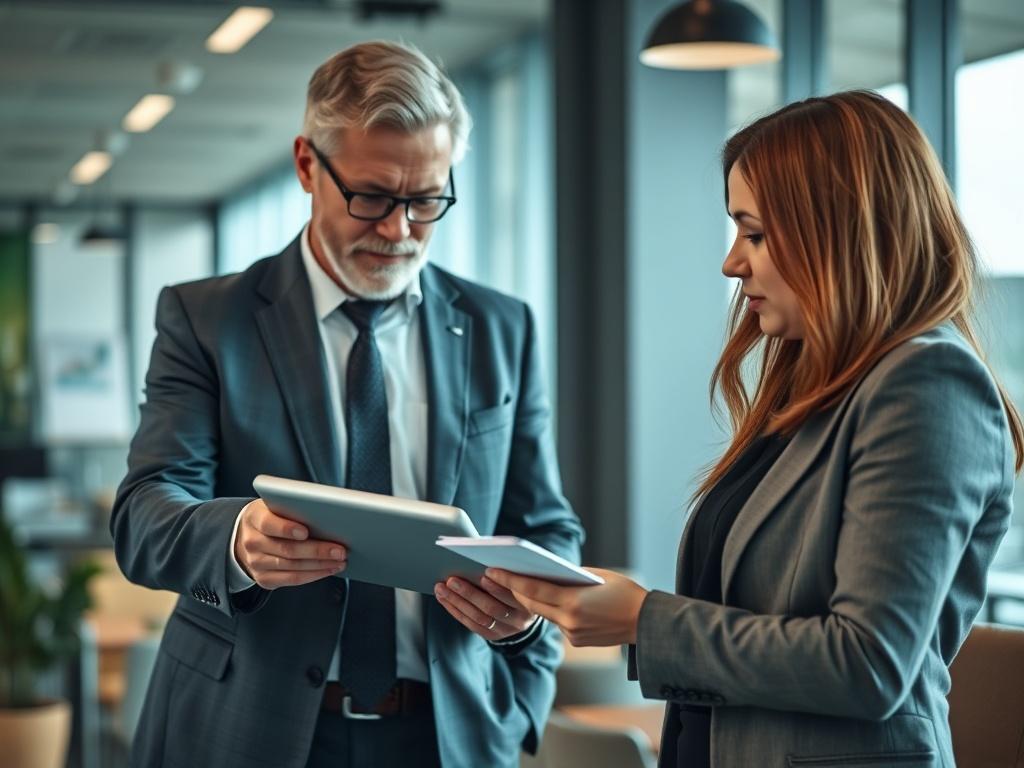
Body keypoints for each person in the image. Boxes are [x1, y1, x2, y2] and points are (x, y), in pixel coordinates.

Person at [488, 90, 1024, 768]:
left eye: (756, 233)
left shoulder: (928, 386)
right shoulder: (821, 387)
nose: (732, 263)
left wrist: (641, 620)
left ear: (837, 230)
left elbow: (869, 663)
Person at [111, 40, 583, 768]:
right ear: (307, 165)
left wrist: (524, 642)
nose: (398, 231)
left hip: (448, 734)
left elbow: (543, 521)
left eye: (426, 200)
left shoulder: (501, 328)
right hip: (251, 729)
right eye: (371, 197)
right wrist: (239, 538)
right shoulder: (208, 320)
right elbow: (145, 515)